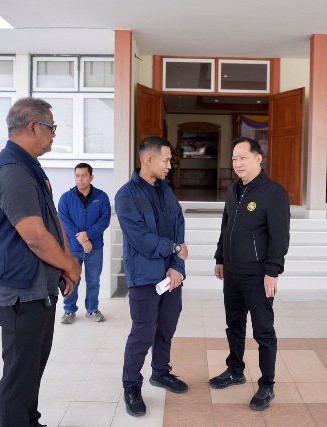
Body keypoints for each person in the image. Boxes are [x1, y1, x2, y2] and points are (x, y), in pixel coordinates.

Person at [0, 97, 82, 427]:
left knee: (32, 369)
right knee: (19, 375)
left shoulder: (29, 166)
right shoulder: (10, 170)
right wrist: (69, 265)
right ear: (33, 127)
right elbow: (34, 236)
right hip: (20, 292)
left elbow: (53, 219)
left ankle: (29, 422)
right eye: (52, 127)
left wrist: (66, 263)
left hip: (38, 288)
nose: (54, 135)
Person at [210, 137, 290, 412]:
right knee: (234, 325)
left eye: (243, 157)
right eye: (234, 159)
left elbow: (280, 237)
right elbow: (226, 226)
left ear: (258, 158)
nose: (237, 163)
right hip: (232, 272)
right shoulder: (234, 189)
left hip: (257, 275)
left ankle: (267, 384)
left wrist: (272, 271)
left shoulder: (274, 193)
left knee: (264, 331)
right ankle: (235, 370)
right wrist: (220, 258)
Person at [115, 135, 189, 417]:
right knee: (143, 333)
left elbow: (179, 227)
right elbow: (140, 237)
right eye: (166, 160)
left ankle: (160, 372)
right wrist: (174, 249)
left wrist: (177, 266)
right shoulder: (126, 195)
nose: (170, 165)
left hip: (171, 275)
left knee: (166, 328)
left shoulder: (167, 192)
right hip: (145, 277)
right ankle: (131, 386)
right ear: (149, 159)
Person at [57, 162, 111, 323]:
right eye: (77, 176)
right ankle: (69, 310)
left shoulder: (101, 197)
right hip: (73, 248)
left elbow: (104, 220)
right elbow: (64, 222)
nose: (80, 179)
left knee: (93, 280)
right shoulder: (66, 198)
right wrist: (81, 238)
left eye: (84, 176)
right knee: (71, 278)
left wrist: (88, 235)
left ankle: (92, 309)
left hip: (95, 248)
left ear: (91, 177)